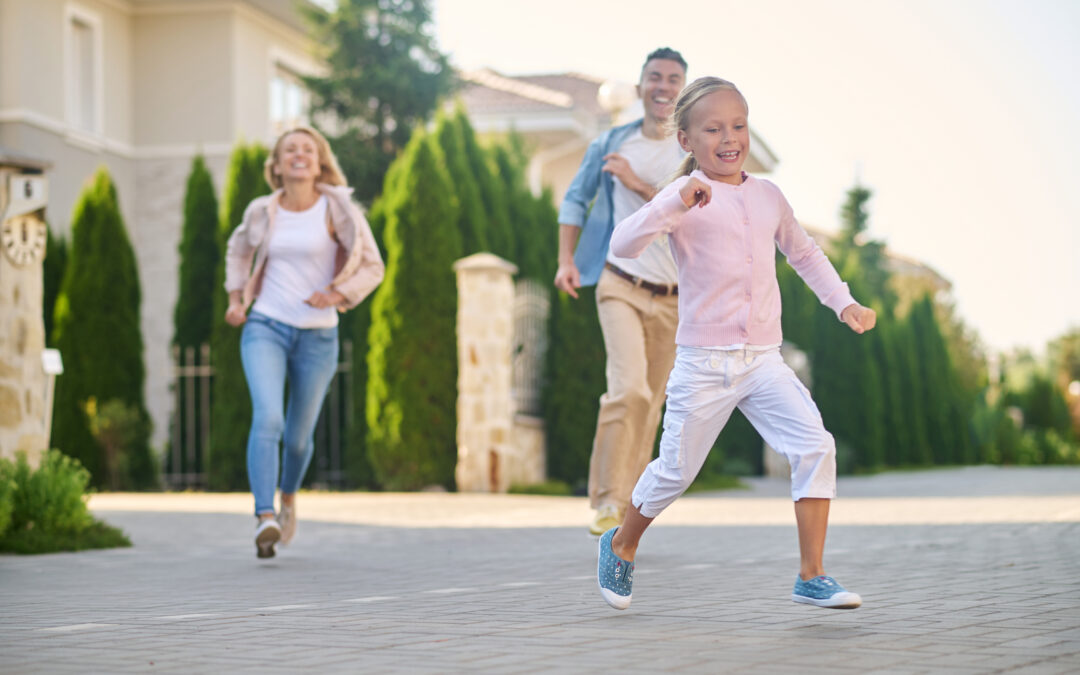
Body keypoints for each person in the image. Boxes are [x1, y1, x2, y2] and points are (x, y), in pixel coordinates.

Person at [596, 77, 877, 610]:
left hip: (763, 361)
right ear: (686, 140)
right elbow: (623, 243)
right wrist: (673, 202)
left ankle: (811, 575)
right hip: (704, 364)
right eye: (714, 128)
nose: (730, 137)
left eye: (739, 125)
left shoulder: (769, 196)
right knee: (675, 471)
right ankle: (622, 542)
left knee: (816, 445)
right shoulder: (681, 197)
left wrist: (844, 302)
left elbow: (806, 254)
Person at [224, 126, 384, 559]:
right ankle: (264, 517)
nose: (299, 155)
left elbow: (373, 266)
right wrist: (237, 298)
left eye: (308, 150)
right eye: (289, 150)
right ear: (276, 166)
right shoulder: (263, 210)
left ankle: (288, 498)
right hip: (267, 326)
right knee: (268, 417)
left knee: (297, 440)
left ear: (319, 162)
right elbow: (238, 251)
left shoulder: (339, 208)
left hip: (318, 335)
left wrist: (336, 295)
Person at [554, 47, 688, 536]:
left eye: (674, 79)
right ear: (639, 87)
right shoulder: (613, 141)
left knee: (651, 403)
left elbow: (694, 212)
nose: (663, 86)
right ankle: (607, 501)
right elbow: (575, 198)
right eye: (655, 77)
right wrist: (567, 260)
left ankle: (631, 509)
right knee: (628, 389)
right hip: (620, 283)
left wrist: (637, 184)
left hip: (676, 297)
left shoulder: (692, 152)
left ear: (684, 90)